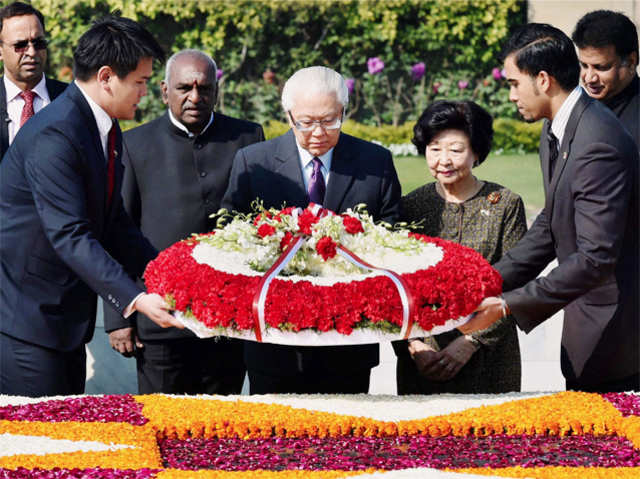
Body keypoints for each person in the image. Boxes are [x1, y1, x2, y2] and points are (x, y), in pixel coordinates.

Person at [0, 16, 184, 397]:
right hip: (27, 322)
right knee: (42, 448)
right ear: (105, 77)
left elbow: (113, 220)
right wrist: (136, 299)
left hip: (64, 321)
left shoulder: (102, 124)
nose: (144, 93)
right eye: (140, 82)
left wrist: (169, 276)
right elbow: (70, 234)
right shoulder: (57, 134)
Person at [465, 23, 639, 393]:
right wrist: (486, 282)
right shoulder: (556, 127)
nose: (511, 95)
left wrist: (507, 305)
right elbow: (551, 222)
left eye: (514, 83)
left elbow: (595, 257)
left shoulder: (597, 142)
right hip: (586, 329)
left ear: (543, 79)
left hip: (617, 333)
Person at [221, 65, 401, 394]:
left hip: (349, 339)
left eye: (329, 120)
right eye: (305, 123)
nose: (318, 132)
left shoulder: (375, 163)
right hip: (274, 340)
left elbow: (392, 236)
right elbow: (231, 234)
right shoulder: (253, 161)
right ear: (288, 115)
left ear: (343, 111)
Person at [103, 49, 264, 395]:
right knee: (163, 428)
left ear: (216, 92)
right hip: (161, 321)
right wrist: (119, 318)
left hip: (229, 320)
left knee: (223, 430)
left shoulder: (248, 138)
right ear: (164, 91)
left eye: (204, 89)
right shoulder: (133, 144)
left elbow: (261, 222)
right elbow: (118, 231)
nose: (195, 97)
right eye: (184, 88)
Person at [394, 100, 526, 394]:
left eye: (455, 150)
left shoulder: (506, 204)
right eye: (435, 148)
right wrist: (413, 345)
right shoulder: (411, 206)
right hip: (423, 359)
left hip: (489, 358)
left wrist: (471, 342)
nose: (444, 160)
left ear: (476, 152)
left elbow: (515, 285)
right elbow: (392, 286)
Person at [0, 1, 67, 159]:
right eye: (20, 45)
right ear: (1, 51)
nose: (31, 52)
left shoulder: (71, 99)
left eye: (39, 43)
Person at [572, 10, 639, 146]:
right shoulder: (575, 110)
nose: (590, 78)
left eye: (601, 67)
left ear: (631, 62)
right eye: (584, 65)